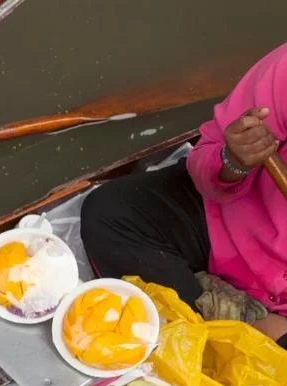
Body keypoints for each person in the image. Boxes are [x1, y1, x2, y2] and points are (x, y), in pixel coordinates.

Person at [83, 44, 287, 343]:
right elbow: (208, 158)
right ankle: (224, 325)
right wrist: (234, 161)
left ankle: (226, 321)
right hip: (228, 224)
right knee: (111, 213)